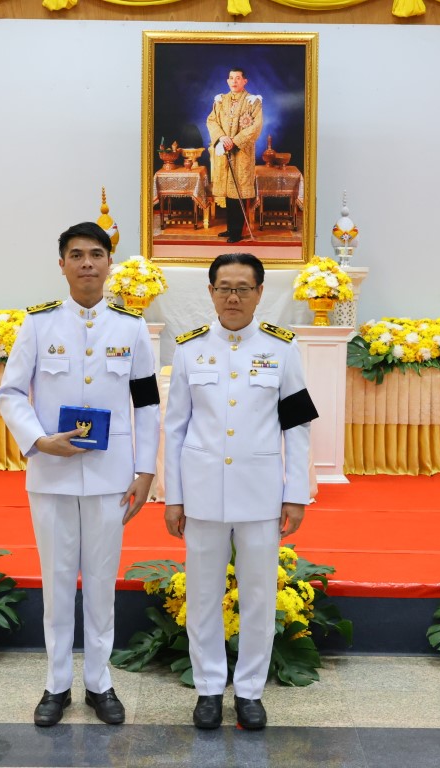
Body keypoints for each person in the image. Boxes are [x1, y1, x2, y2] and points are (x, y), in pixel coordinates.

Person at [0, 222, 161, 727]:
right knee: (58, 581)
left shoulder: (131, 327)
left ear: (110, 263)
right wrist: (38, 440)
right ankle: (56, 684)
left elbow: (147, 403)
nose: (87, 263)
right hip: (52, 474)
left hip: (111, 477)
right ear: (62, 264)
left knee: (103, 583)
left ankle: (100, 683)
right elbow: (10, 392)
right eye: (76, 255)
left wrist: (145, 470)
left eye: (96, 254)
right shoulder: (38, 324)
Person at [162, 252, 318, 730]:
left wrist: (296, 493)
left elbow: (297, 427)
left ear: (259, 293)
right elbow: (176, 427)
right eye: (224, 288)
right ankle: (209, 688)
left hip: (260, 495)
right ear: (210, 292)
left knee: (258, 598)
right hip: (202, 494)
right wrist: (173, 496)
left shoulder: (283, 350)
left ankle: (250, 691)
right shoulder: (189, 349)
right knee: (203, 597)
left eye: (243, 288)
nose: (233, 297)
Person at [206, 68, 263, 244]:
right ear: (227, 81)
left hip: (242, 153)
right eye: (231, 78)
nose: (234, 81)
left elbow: (256, 126)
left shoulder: (253, 101)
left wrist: (235, 141)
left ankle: (238, 232)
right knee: (228, 192)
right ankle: (231, 228)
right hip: (224, 150)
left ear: (245, 81)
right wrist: (222, 138)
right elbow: (211, 120)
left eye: (238, 78)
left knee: (238, 192)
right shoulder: (220, 100)